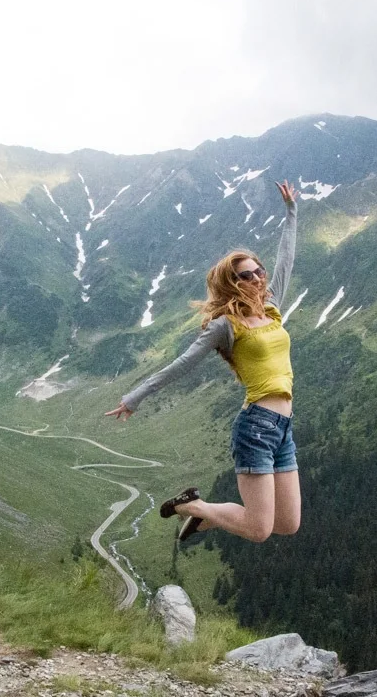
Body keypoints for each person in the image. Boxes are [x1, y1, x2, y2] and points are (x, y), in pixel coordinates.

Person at [105, 180, 301, 544]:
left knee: (287, 525)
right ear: (233, 282)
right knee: (259, 531)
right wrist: (134, 398)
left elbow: (287, 261)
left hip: (283, 428)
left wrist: (291, 212)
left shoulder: (273, 312)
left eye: (259, 270)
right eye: (247, 274)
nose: (258, 277)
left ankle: (204, 516)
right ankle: (194, 508)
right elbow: (181, 364)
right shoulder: (225, 327)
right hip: (257, 426)